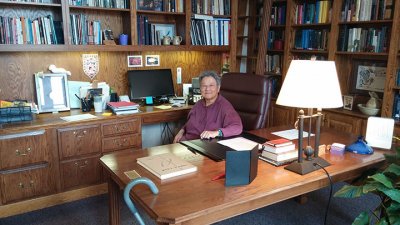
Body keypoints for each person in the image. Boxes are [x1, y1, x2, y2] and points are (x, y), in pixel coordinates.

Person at [173, 71, 243, 142]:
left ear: (218, 88)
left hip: (203, 146)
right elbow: (190, 122)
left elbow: (237, 127)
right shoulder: (198, 105)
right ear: (200, 89)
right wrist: (181, 131)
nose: (207, 89)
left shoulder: (224, 106)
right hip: (185, 143)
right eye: (204, 86)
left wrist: (216, 133)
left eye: (211, 85)